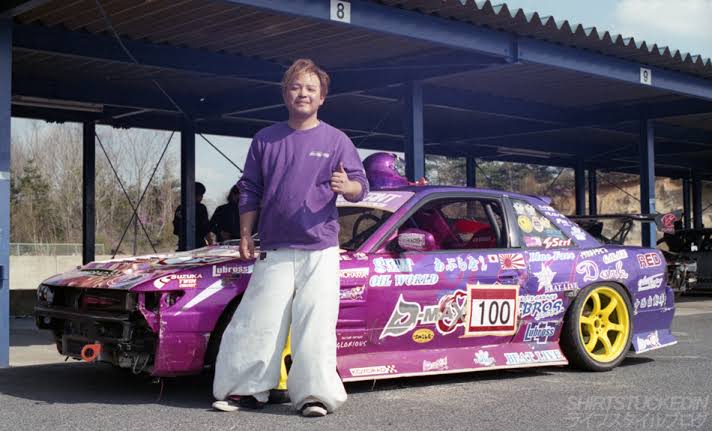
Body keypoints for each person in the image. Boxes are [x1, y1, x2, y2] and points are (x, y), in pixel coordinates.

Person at [212, 58, 368, 417]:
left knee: (316, 324)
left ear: (322, 97)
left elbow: (361, 186)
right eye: (296, 87)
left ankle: (315, 396)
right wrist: (246, 234)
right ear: (285, 94)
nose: (303, 94)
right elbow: (250, 190)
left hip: (320, 248)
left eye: (311, 88)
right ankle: (245, 391)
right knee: (258, 321)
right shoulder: (265, 139)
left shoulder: (337, 140)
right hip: (274, 247)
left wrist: (348, 186)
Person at [172, 181, 211, 249]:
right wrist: (210, 242)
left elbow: (176, 230)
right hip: (198, 245)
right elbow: (205, 227)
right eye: (201, 195)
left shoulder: (180, 208)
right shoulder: (201, 208)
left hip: (182, 245)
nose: (202, 197)